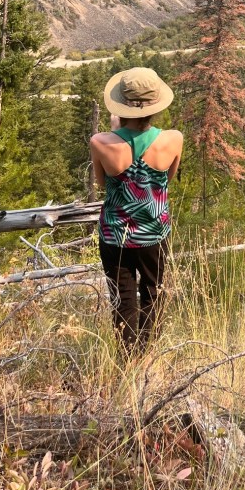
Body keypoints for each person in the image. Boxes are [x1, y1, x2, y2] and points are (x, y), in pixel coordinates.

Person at [90, 67, 183, 350]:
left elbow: (102, 183)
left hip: (115, 234)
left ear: (121, 106)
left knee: (123, 298)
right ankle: (147, 351)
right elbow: (166, 180)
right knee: (153, 292)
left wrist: (115, 133)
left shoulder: (100, 142)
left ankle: (128, 358)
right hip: (154, 232)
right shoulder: (173, 139)